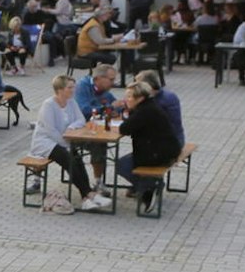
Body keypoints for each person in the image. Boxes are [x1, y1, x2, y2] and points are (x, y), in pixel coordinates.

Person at [29, 74, 111, 212]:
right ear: (60, 89)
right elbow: (50, 131)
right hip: (45, 142)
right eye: (70, 87)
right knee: (68, 159)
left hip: (65, 140)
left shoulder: (71, 102)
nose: (73, 90)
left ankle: (86, 198)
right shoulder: (48, 105)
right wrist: (65, 142)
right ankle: (88, 193)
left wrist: (71, 128)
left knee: (77, 158)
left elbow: (80, 120)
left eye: (73, 87)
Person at [116, 81, 182, 215]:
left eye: (129, 97)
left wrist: (128, 114)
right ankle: (148, 186)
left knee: (122, 165)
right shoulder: (149, 106)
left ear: (140, 98)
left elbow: (124, 129)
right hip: (166, 149)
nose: (125, 100)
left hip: (158, 153)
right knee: (127, 162)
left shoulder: (144, 111)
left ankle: (149, 189)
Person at [135, 70, 183, 145]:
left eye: (138, 86)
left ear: (147, 86)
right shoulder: (169, 95)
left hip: (169, 143)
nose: (136, 88)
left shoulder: (157, 101)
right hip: (173, 138)